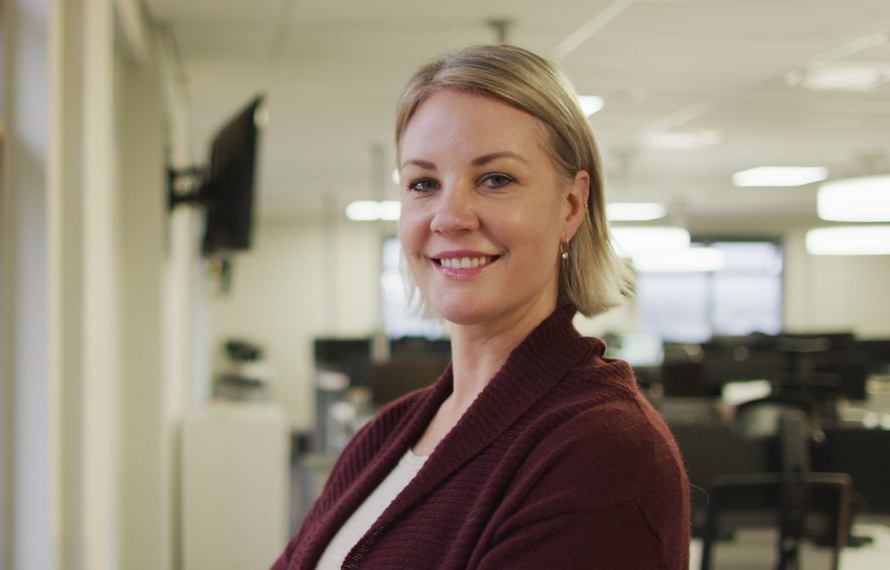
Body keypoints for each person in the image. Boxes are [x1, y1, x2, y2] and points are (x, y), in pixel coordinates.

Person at [273, 45, 690, 569]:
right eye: (424, 184)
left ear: (570, 206)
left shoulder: (603, 450)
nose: (450, 217)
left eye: (496, 180)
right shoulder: (387, 433)